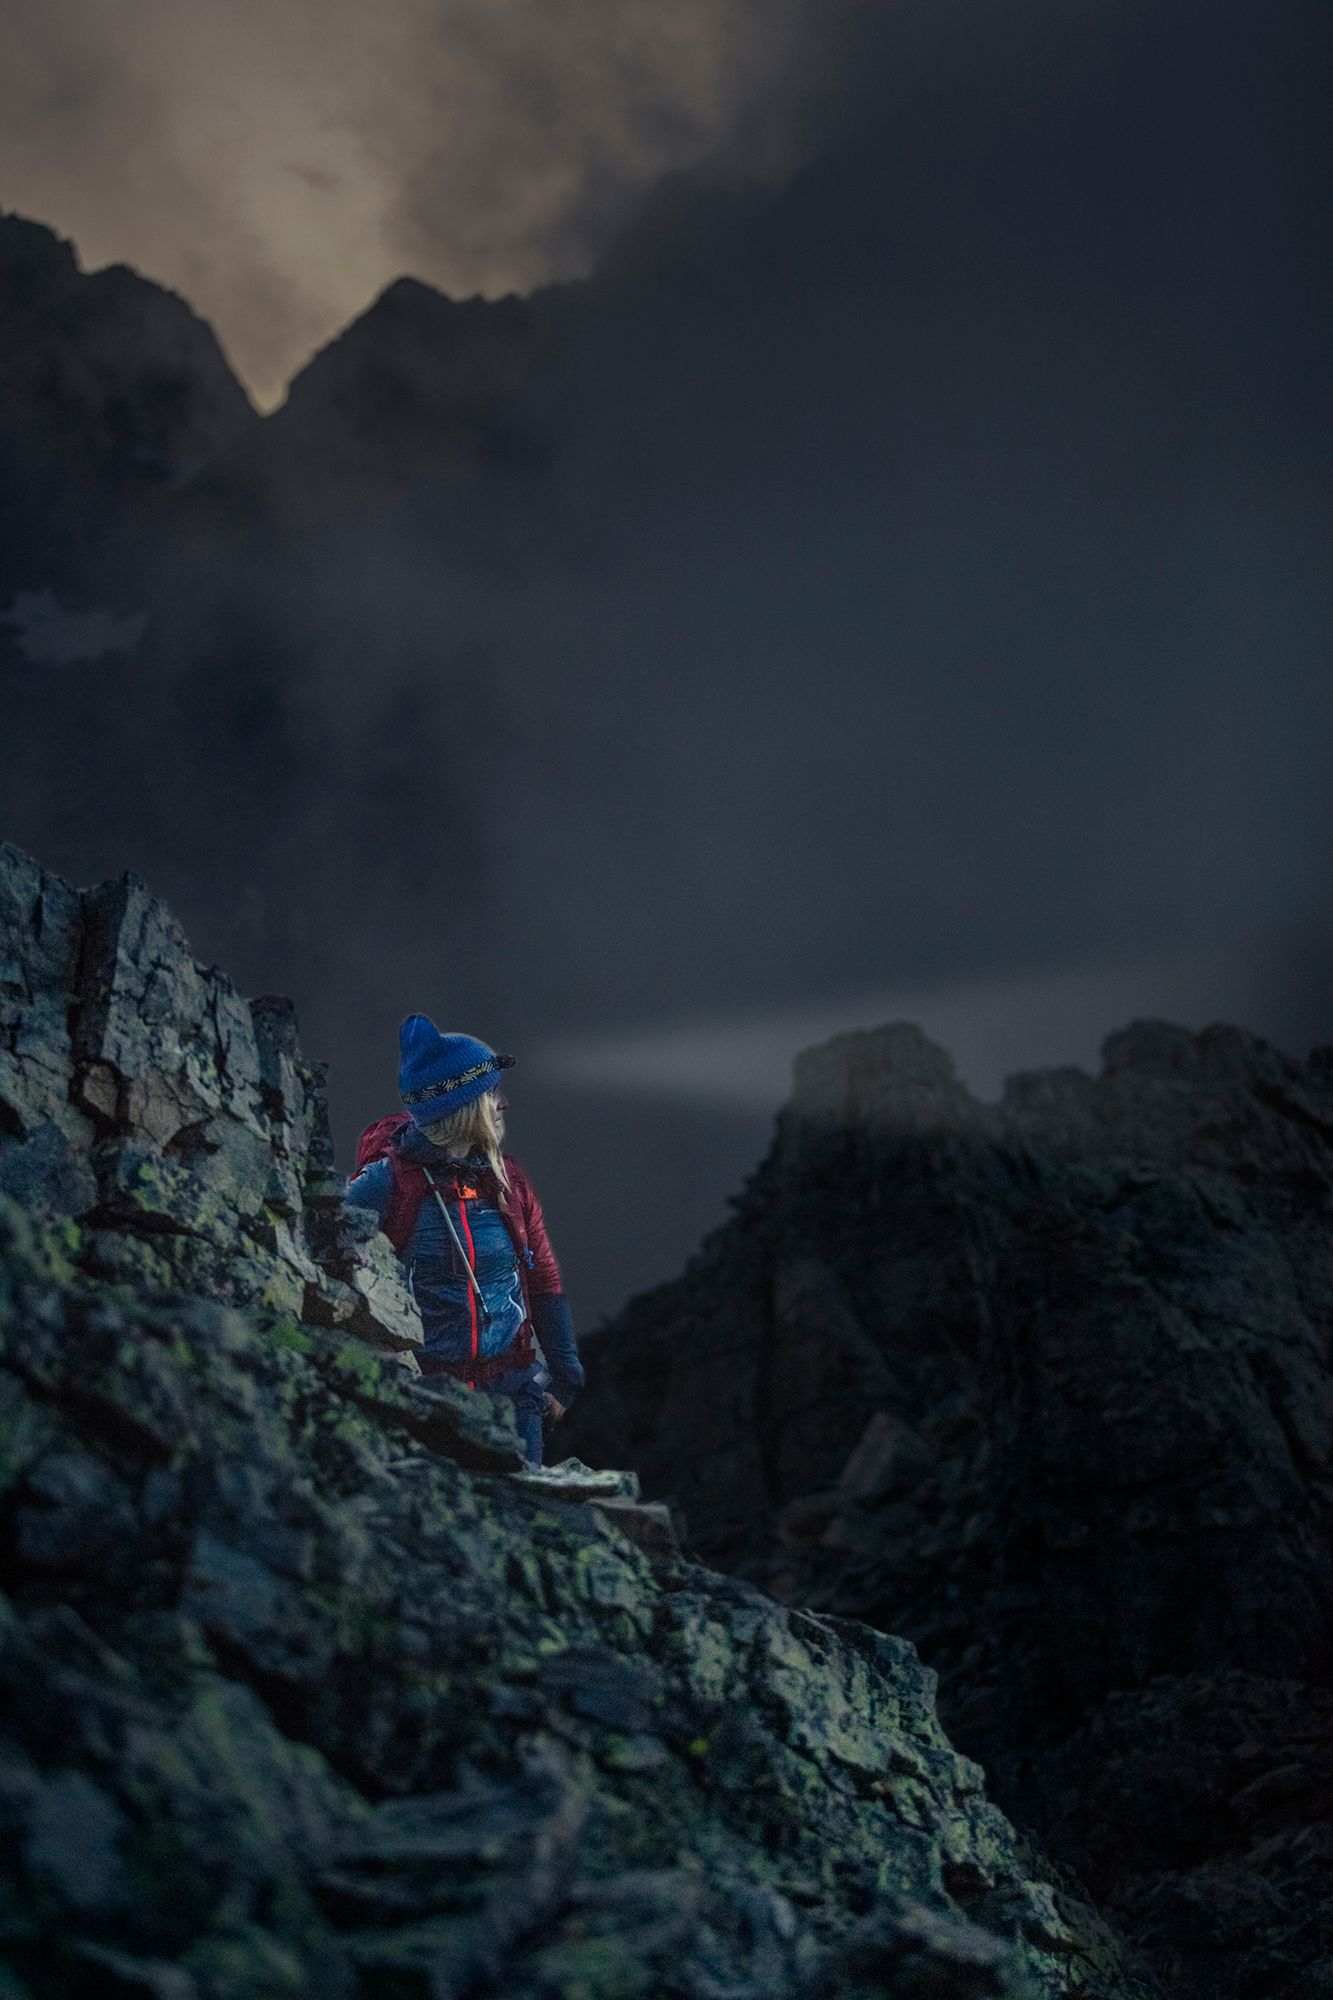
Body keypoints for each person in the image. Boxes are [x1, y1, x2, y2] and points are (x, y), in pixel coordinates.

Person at [344, 1014, 583, 1464]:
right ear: (463, 1107)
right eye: (491, 1093)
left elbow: (543, 1280)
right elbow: (338, 1274)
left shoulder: (509, 1182)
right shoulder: (385, 1185)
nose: (503, 1103)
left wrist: (565, 1379)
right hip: (427, 1400)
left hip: (514, 1398)